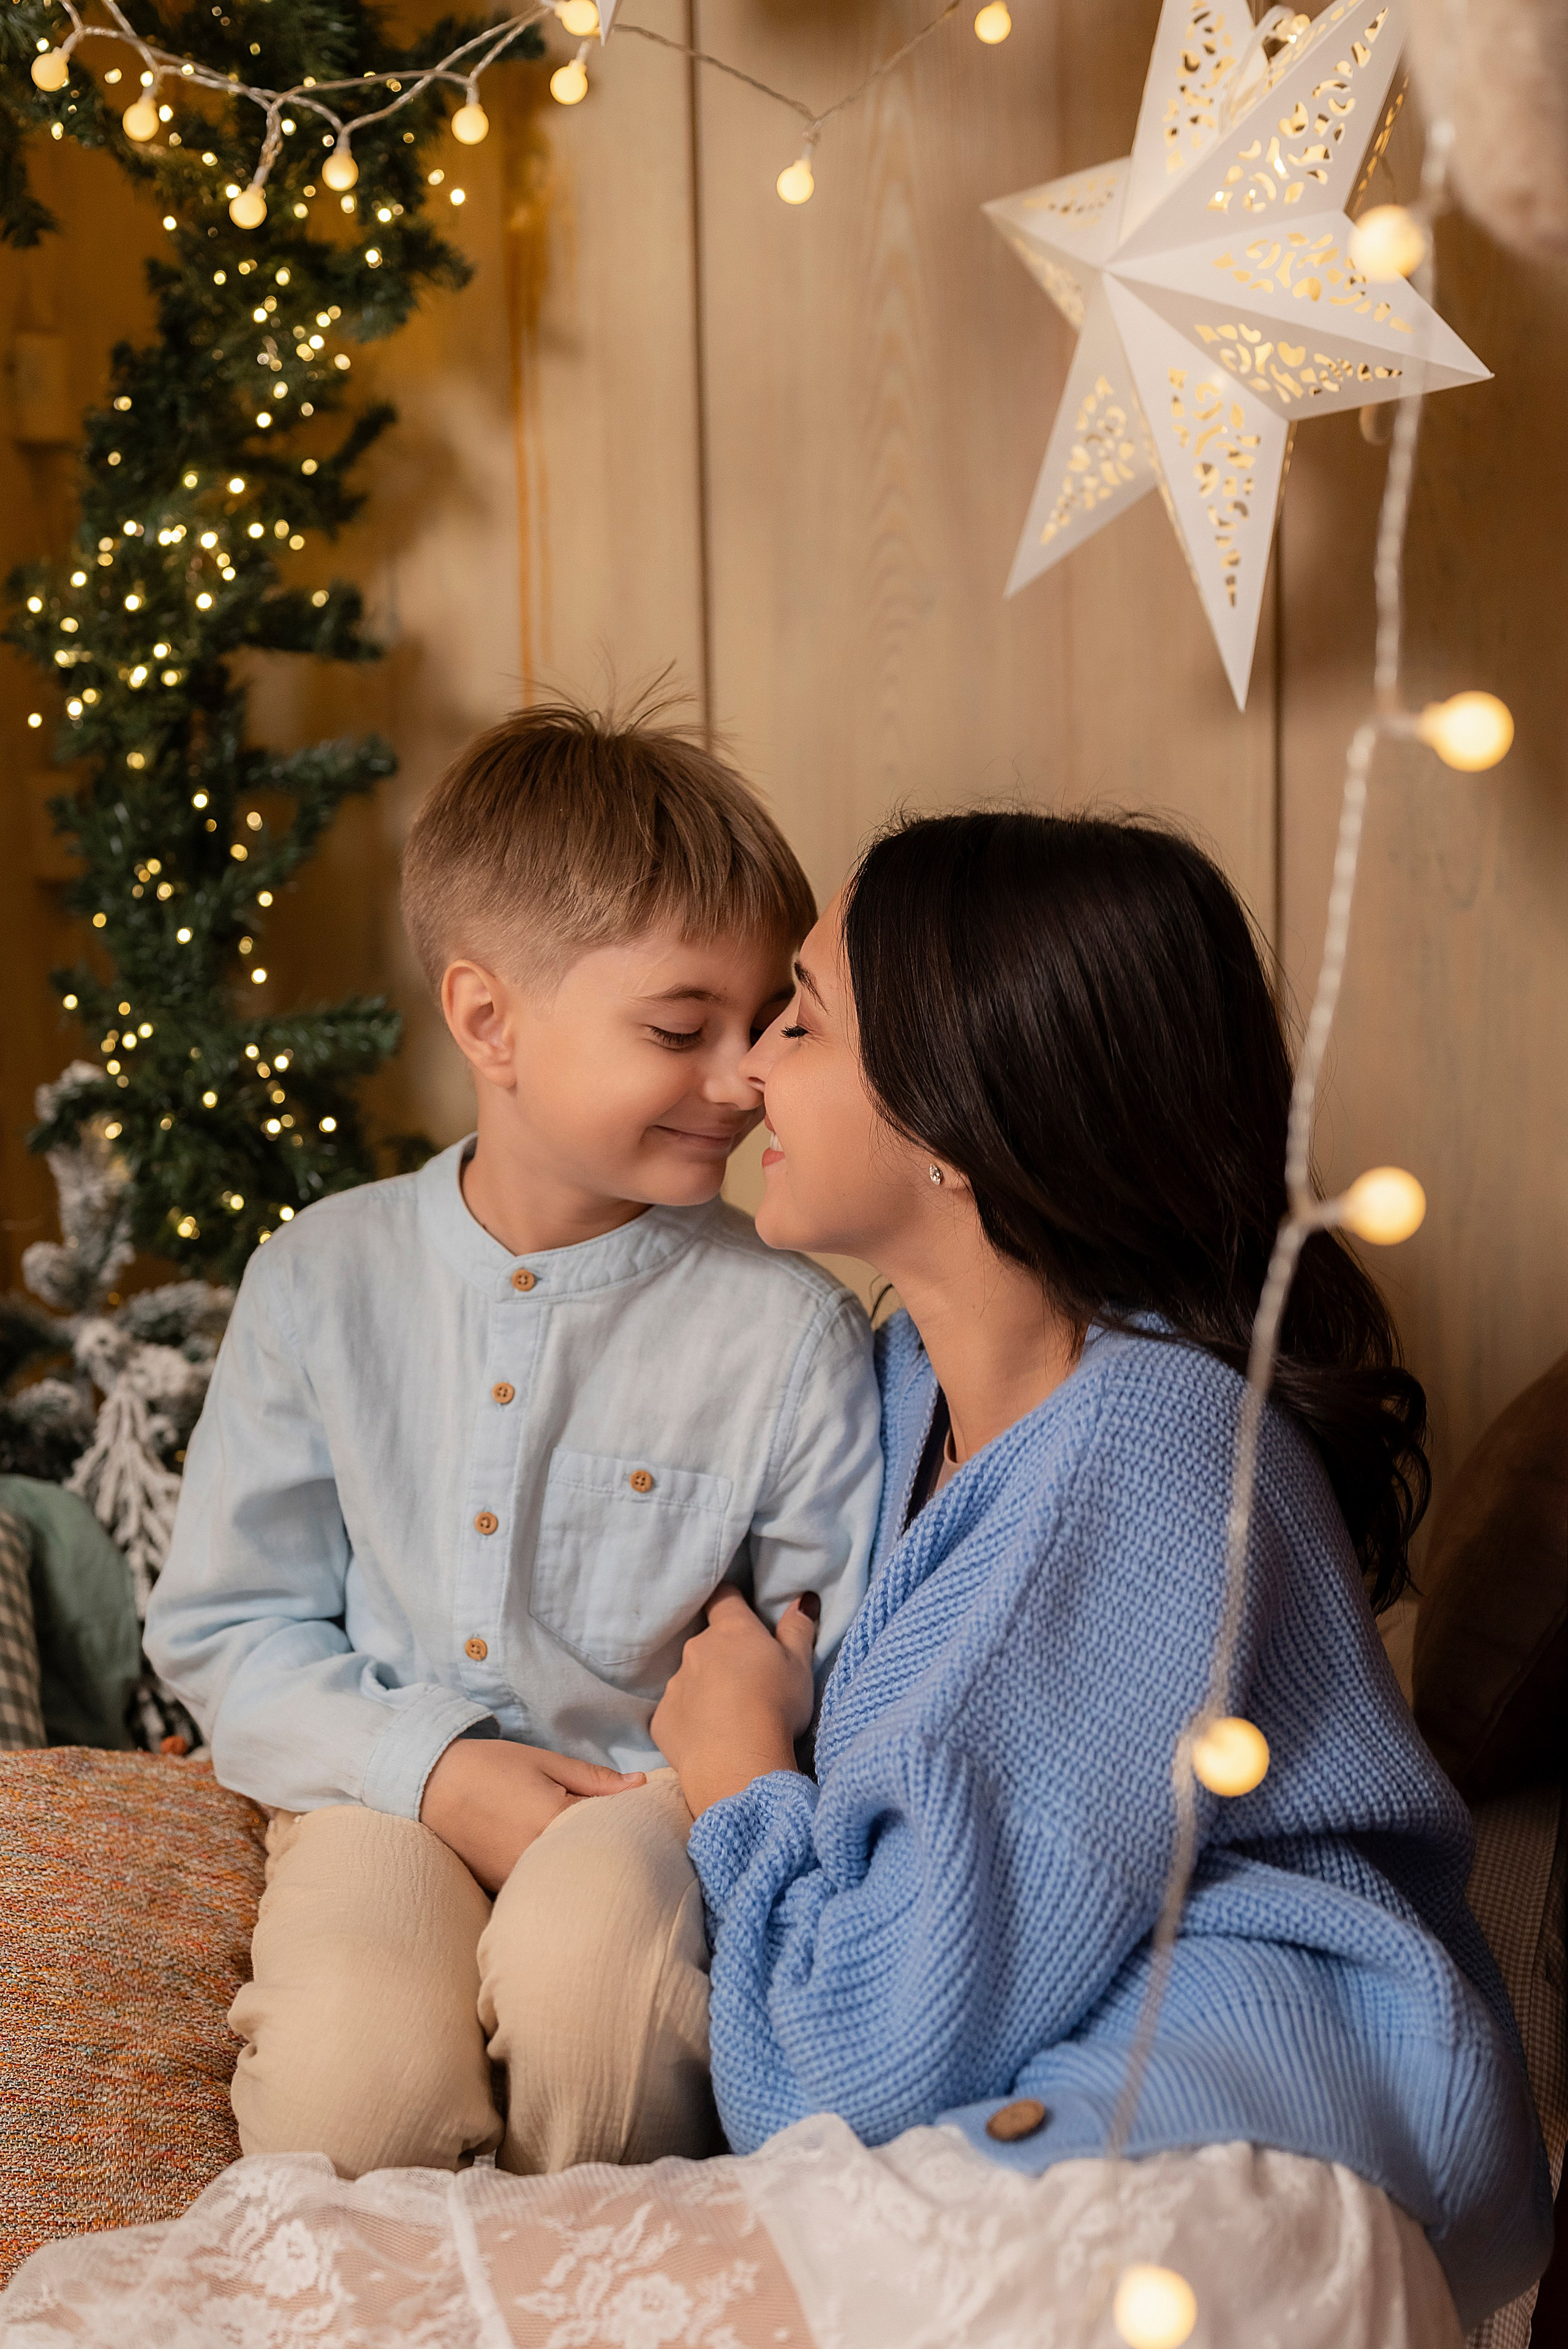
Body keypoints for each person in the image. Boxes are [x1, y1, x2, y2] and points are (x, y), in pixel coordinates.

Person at [11, 807, 1548, 2349]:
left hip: (1189, 2180)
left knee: (222, 2313)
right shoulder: (911, 1388)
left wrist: (740, 1769)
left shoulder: (1142, 1455)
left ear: (954, 1116)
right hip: (1050, 2129)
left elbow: (853, 2056)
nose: (746, 1077)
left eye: (796, 1019)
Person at [143, 703, 883, 2181]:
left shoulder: (788, 1332)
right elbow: (228, 1624)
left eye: (767, 1024)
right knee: (353, 2089)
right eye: (681, 1028)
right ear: (488, 1019)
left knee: (597, 2010)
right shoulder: (322, 1277)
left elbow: (830, 1656)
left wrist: (708, 1769)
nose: (742, 1078)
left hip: (643, 1812)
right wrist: (430, 1766)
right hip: (374, 1788)